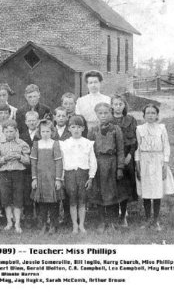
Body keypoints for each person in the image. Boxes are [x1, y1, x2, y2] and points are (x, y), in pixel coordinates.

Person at [135, 104, 174, 231]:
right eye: (148, 113)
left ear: (157, 115)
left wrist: (165, 163)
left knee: (157, 191)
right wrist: (137, 165)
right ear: (143, 115)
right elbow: (137, 148)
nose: (150, 115)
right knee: (146, 191)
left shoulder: (161, 128)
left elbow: (166, 146)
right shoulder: (139, 129)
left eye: (153, 113)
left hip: (158, 162)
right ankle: (148, 219)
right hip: (144, 161)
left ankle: (156, 220)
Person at [87, 103, 124, 233]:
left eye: (106, 113)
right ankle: (101, 221)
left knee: (112, 193)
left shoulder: (116, 129)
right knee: (100, 193)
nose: (103, 116)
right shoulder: (92, 130)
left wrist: (120, 167)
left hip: (112, 163)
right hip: (98, 164)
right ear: (96, 114)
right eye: (100, 113)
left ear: (110, 113)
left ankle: (112, 222)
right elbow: (89, 150)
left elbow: (120, 150)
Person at [59, 116, 97, 234]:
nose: (76, 130)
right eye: (73, 127)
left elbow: (92, 161)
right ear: (69, 129)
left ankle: (81, 224)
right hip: (70, 175)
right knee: (72, 201)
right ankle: (74, 225)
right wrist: (62, 177)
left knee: (82, 201)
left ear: (83, 128)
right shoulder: (64, 144)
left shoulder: (88, 143)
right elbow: (62, 161)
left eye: (79, 127)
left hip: (83, 174)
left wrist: (91, 177)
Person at [0, 119, 30, 233]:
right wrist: (4, 159)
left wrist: (19, 157)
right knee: (6, 198)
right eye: (7, 131)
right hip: (5, 173)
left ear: (16, 131)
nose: (9, 134)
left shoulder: (22, 143)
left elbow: (28, 161)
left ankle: (17, 223)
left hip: (18, 173)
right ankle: (9, 222)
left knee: (18, 198)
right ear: (3, 132)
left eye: (12, 131)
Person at [30, 119, 63, 235]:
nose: (45, 134)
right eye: (43, 131)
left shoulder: (55, 143)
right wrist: (34, 178)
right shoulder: (36, 144)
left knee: (53, 203)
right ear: (39, 132)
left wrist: (58, 179)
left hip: (52, 178)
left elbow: (59, 162)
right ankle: (43, 225)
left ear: (52, 132)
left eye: (47, 131)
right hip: (40, 178)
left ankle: (53, 225)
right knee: (42, 204)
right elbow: (33, 163)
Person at [111, 94, 138, 227]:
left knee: (125, 186)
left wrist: (130, 156)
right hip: (113, 158)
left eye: (120, 104)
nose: (118, 107)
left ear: (124, 106)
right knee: (115, 185)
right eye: (115, 104)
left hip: (127, 157)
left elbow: (134, 141)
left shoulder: (130, 120)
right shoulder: (108, 120)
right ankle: (116, 213)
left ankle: (124, 214)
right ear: (111, 105)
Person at [18, 110, 39, 228]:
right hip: (26, 169)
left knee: (39, 192)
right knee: (27, 193)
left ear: (37, 121)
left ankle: (41, 218)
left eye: (34, 120)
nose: (31, 123)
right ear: (26, 122)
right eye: (29, 121)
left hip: (39, 168)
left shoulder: (42, 133)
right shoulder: (21, 136)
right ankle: (29, 218)